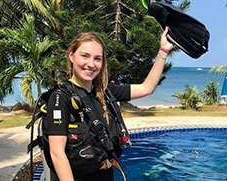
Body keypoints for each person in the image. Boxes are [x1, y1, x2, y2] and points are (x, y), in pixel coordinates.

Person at [44, 27, 173, 181]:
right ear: (71, 56)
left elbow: (147, 88)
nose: (91, 64)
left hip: (106, 174)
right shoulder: (61, 97)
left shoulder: (106, 92)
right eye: (85, 56)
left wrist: (163, 51)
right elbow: (57, 153)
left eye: (97, 58)